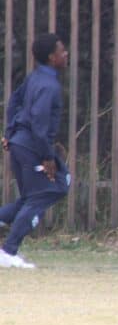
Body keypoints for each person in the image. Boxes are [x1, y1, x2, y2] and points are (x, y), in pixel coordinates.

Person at [0, 33, 70, 269]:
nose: (66, 54)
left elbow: (13, 101)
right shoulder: (48, 85)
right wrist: (47, 155)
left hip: (23, 144)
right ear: (52, 57)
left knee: (32, 197)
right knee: (51, 190)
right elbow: (39, 121)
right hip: (31, 147)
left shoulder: (35, 78)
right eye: (62, 50)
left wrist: (10, 133)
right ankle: (8, 252)